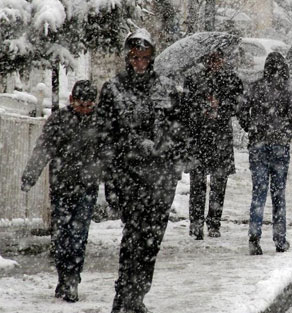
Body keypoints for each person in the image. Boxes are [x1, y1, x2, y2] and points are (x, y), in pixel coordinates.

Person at [98, 28, 184, 313]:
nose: (139, 62)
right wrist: (111, 178)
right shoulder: (114, 89)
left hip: (160, 177)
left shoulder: (166, 88)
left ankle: (138, 294)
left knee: (152, 241)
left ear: (152, 58)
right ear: (127, 57)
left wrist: (169, 154)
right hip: (129, 175)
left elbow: (178, 130)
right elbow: (105, 136)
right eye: (134, 57)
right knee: (134, 236)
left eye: (144, 57)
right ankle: (124, 293)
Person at [20, 80, 101, 303]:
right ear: (72, 100)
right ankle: (64, 275)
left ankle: (72, 277)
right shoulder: (59, 120)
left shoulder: (100, 122)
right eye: (81, 103)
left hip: (87, 186)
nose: (85, 108)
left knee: (79, 235)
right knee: (62, 235)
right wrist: (30, 175)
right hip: (62, 186)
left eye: (89, 104)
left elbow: (109, 154)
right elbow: (43, 148)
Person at [239, 52, 292, 255]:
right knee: (278, 194)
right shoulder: (288, 89)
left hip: (258, 145)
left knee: (258, 193)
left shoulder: (255, 87)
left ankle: (254, 237)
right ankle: (280, 238)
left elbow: (241, 109)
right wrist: (285, 134)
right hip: (279, 146)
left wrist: (251, 127)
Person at [182, 49, 244, 240]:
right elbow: (186, 108)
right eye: (211, 59)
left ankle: (214, 223)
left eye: (218, 59)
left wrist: (221, 106)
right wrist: (202, 108)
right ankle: (196, 223)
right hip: (199, 137)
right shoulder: (193, 80)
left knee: (219, 182)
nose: (215, 63)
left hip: (220, 138)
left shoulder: (231, 80)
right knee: (198, 183)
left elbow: (238, 104)